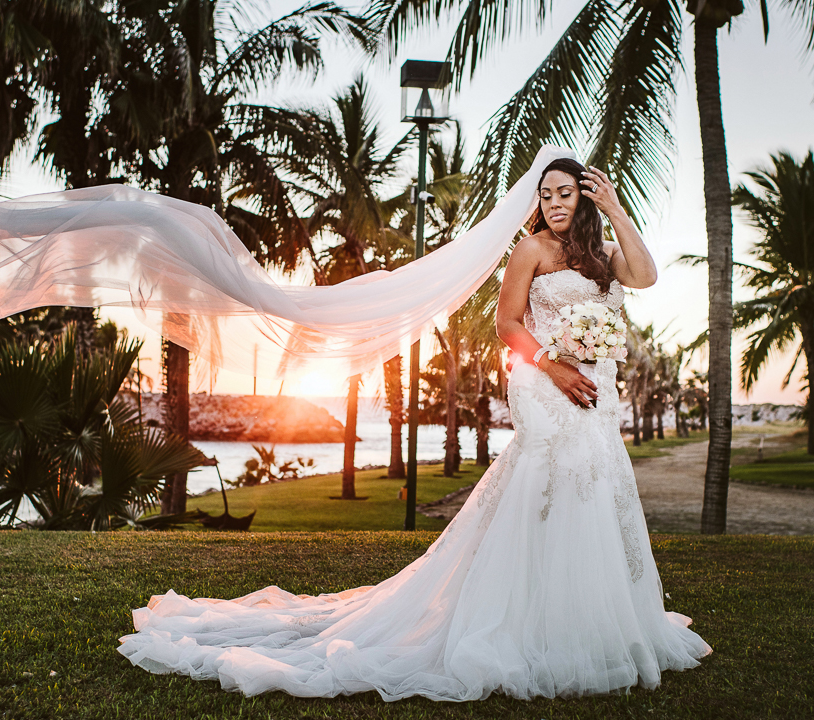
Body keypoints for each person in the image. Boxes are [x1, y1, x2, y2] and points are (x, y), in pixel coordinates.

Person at [116, 158, 711, 702]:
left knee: (592, 493)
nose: (556, 202)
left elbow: (647, 276)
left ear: (583, 198)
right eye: (546, 194)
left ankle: (586, 622)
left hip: (597, 392)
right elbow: (508, 324)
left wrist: (614, 208)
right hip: (545, 383)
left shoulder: (605, 254)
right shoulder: (529, 250)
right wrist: (554, 366)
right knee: (546, 488)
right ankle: (520, 621)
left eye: (566, 194)